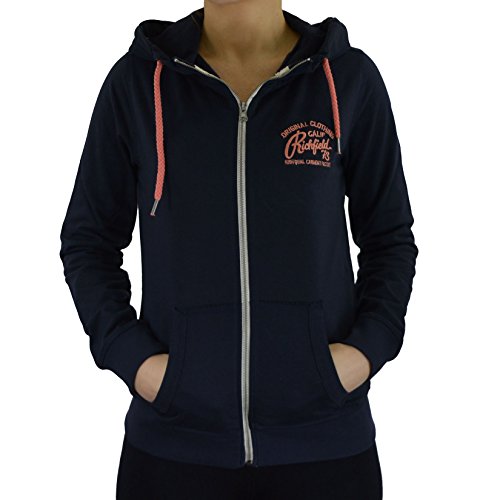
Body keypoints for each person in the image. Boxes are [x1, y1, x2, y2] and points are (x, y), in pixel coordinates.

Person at [59, 1, 418, 498]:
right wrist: (136, 361)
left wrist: (364, 351)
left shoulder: (346, 79)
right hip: (173, 453)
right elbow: (88, 240)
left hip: (326, 449)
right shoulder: (138, 83)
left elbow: (389, 237)